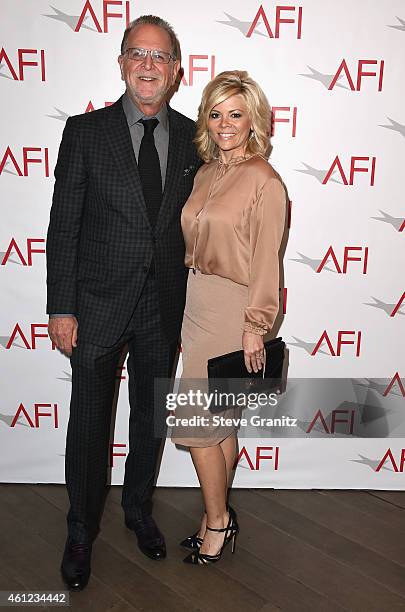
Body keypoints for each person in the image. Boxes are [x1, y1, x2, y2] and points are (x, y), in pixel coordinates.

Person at [46, 15, 200, 590]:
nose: (148, 65)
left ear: (176, 71)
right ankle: (80, 530)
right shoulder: (85, 133)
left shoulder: (193, 139)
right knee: (88, 425)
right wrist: (61, 308)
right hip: (94, 307)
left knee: (148, 424)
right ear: (121, 64)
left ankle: (138, 511)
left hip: (163, 307)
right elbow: (63, 228)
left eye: (159, 57)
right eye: (137, 53)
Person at [173, 70, 287, 564]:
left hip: (232, 309)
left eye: (235, 114)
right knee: (219, 423)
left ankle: (218, 523)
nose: (224, 124)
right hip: (196, 300)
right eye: (216, 113)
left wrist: (255, 327)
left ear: (253, 120)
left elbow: (267, 260)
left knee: (197, 426)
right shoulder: (203, 172)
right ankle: (213, 515)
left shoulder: (265, 180)